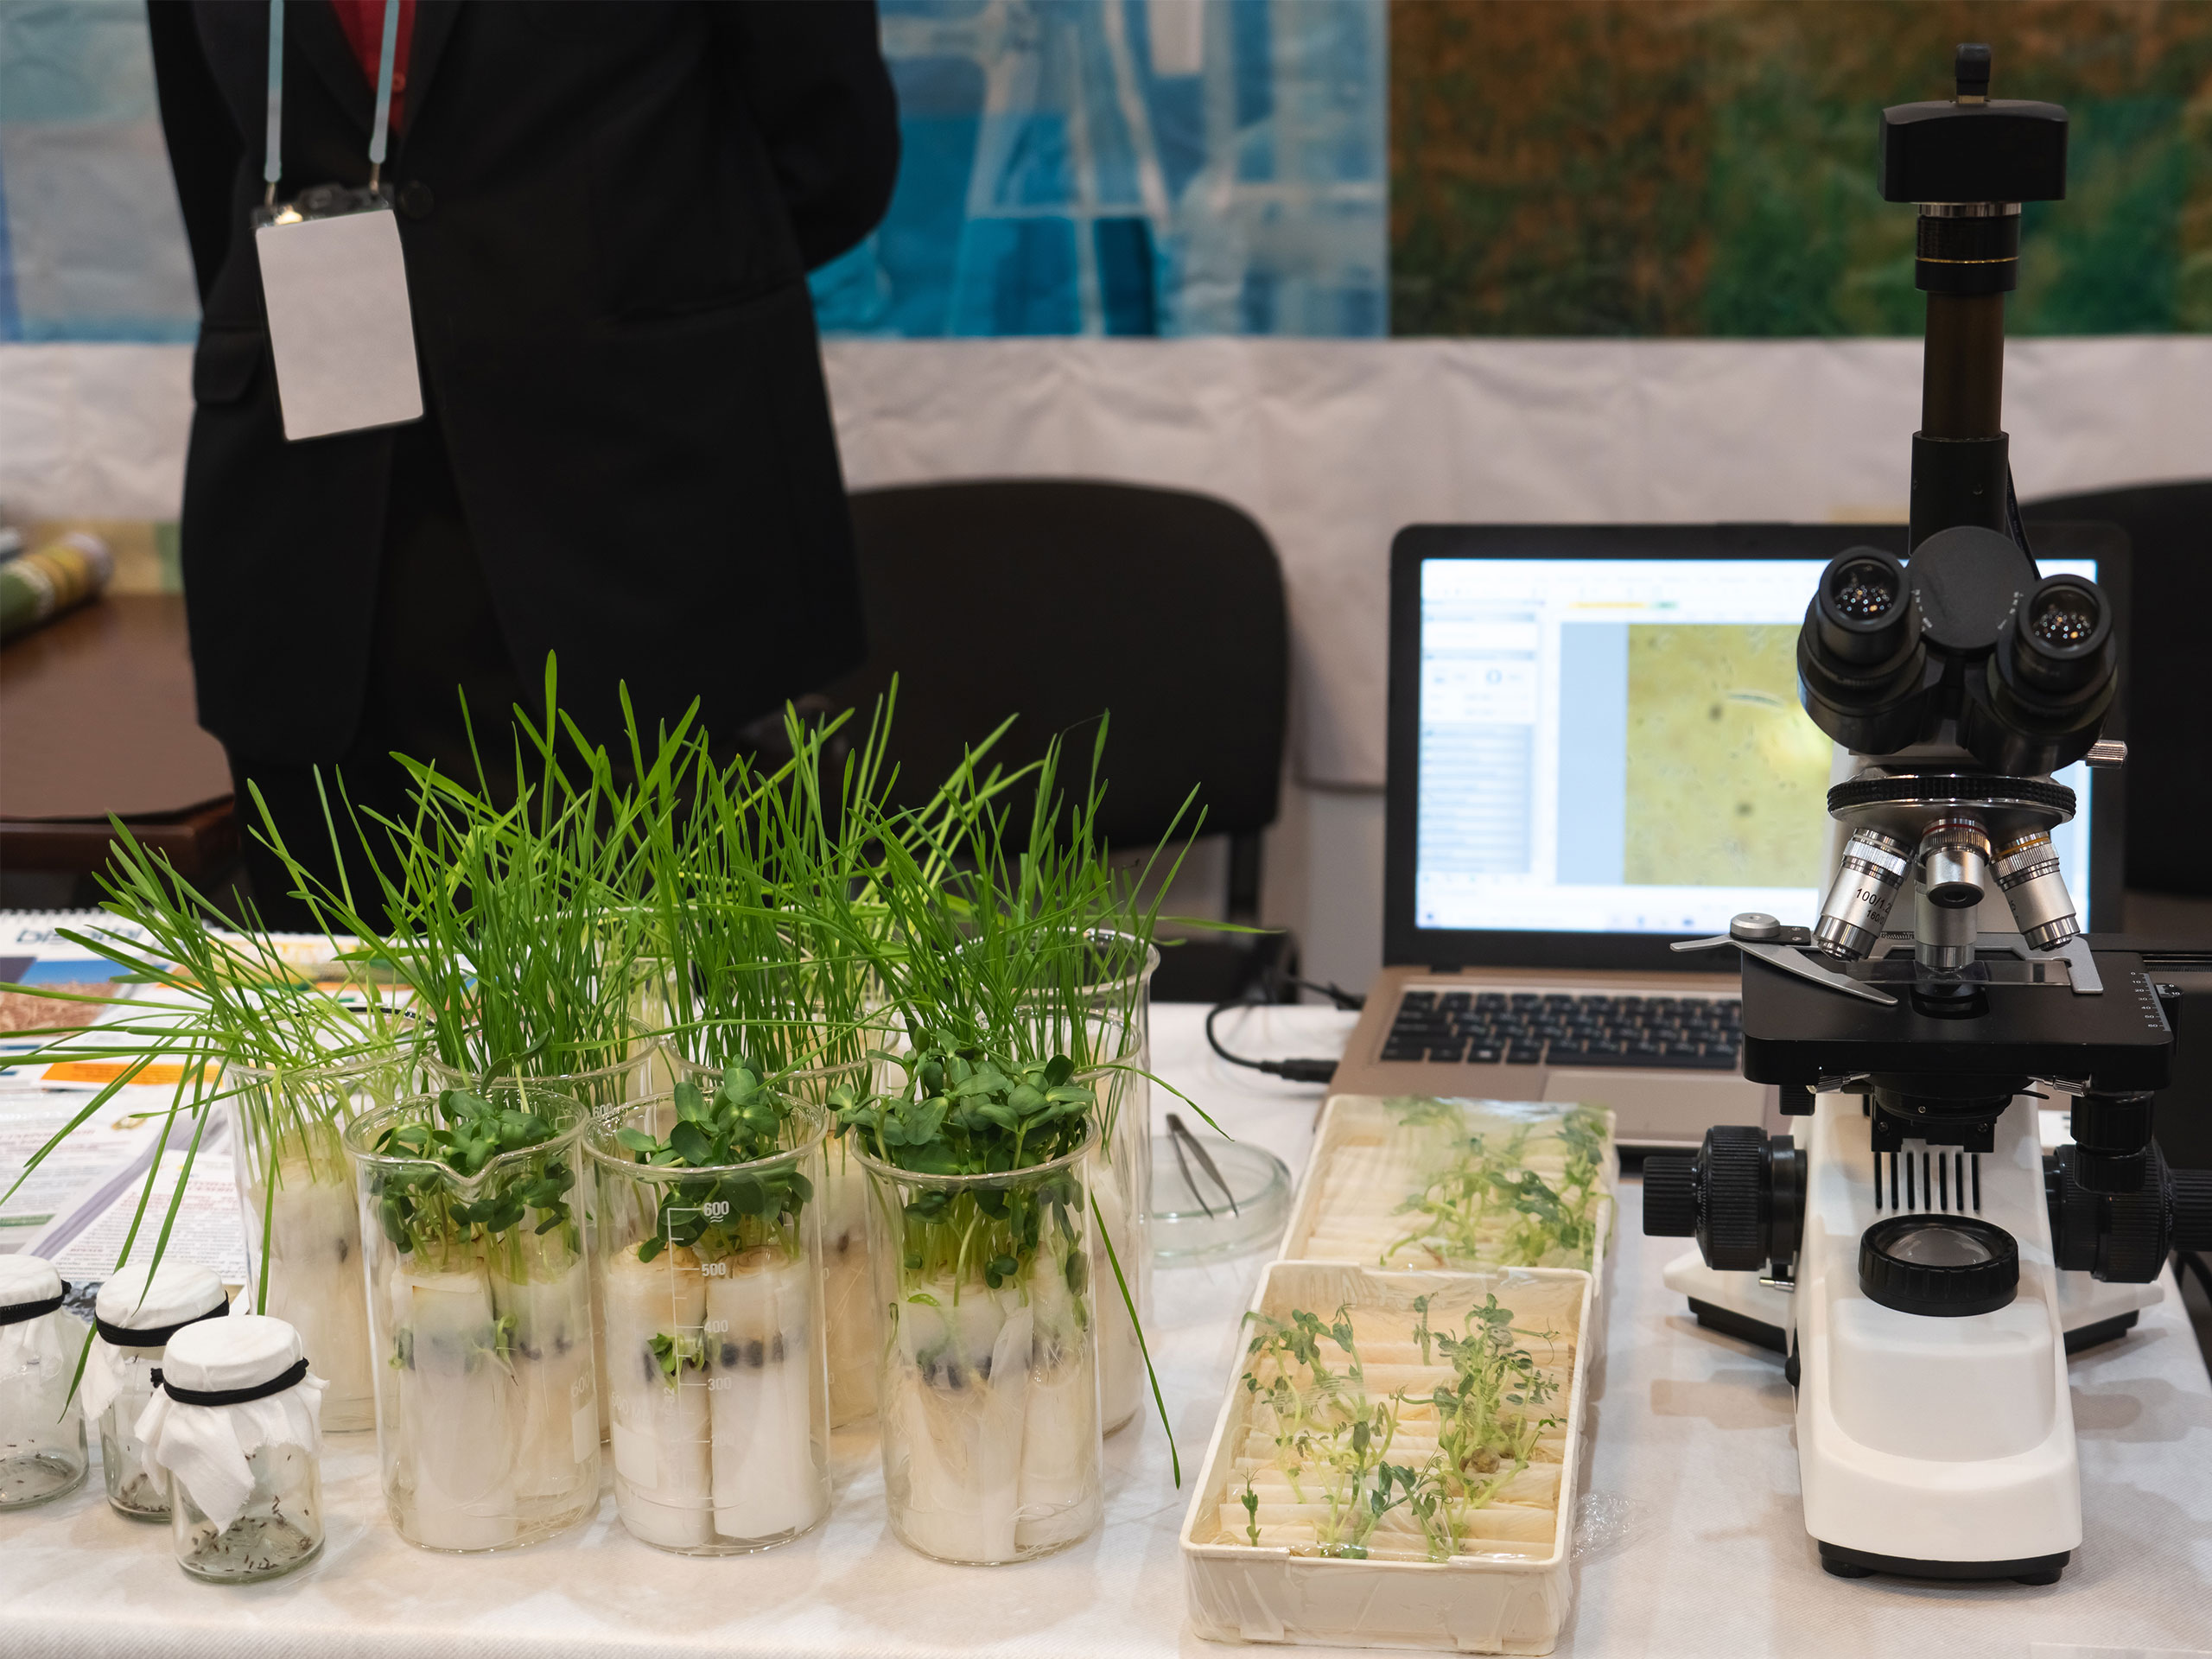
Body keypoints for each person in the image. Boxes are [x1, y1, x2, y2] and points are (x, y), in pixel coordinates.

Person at [147, 0, 899, 927]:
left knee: (691, 1038)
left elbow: (833, 151)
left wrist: (605, 301)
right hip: (315, 543)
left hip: (650, 524)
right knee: (344, 1037)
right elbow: (209, 153)